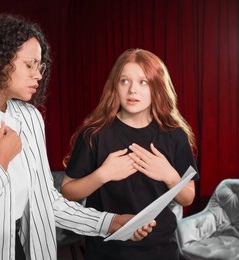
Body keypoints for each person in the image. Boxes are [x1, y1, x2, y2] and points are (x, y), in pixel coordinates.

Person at [0, 15, 155, 260]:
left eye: (40, 66)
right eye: (29, 64)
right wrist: (1, 161)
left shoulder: (30, 118)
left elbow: (47, 201)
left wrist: (111, 222)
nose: (39, 75)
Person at [61, 48, 199, 260]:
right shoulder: (94, 135)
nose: (133, 90)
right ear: (115, 86)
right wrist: (103, 174)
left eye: (143, 81)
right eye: (125, 81)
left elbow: (188, 196)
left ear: (157, 87)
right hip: (105, 251)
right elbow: (68, 191)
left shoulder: (175, 136)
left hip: (161, 250)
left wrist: (169, 176)